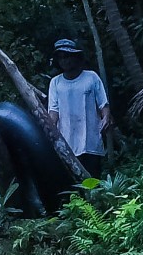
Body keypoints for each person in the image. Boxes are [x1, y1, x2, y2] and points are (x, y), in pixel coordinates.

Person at [48, 37, 113, 178]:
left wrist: (106, 118)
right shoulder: (55, 83)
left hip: (90, 140)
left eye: (68, 56)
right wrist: (49, 131)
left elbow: (103, 104)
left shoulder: (91, 78)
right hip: (66, 142)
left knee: (93, 178)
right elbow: (54, 110)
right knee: (73, 182)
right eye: (61, 58)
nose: (65, 61)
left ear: (76, 57)